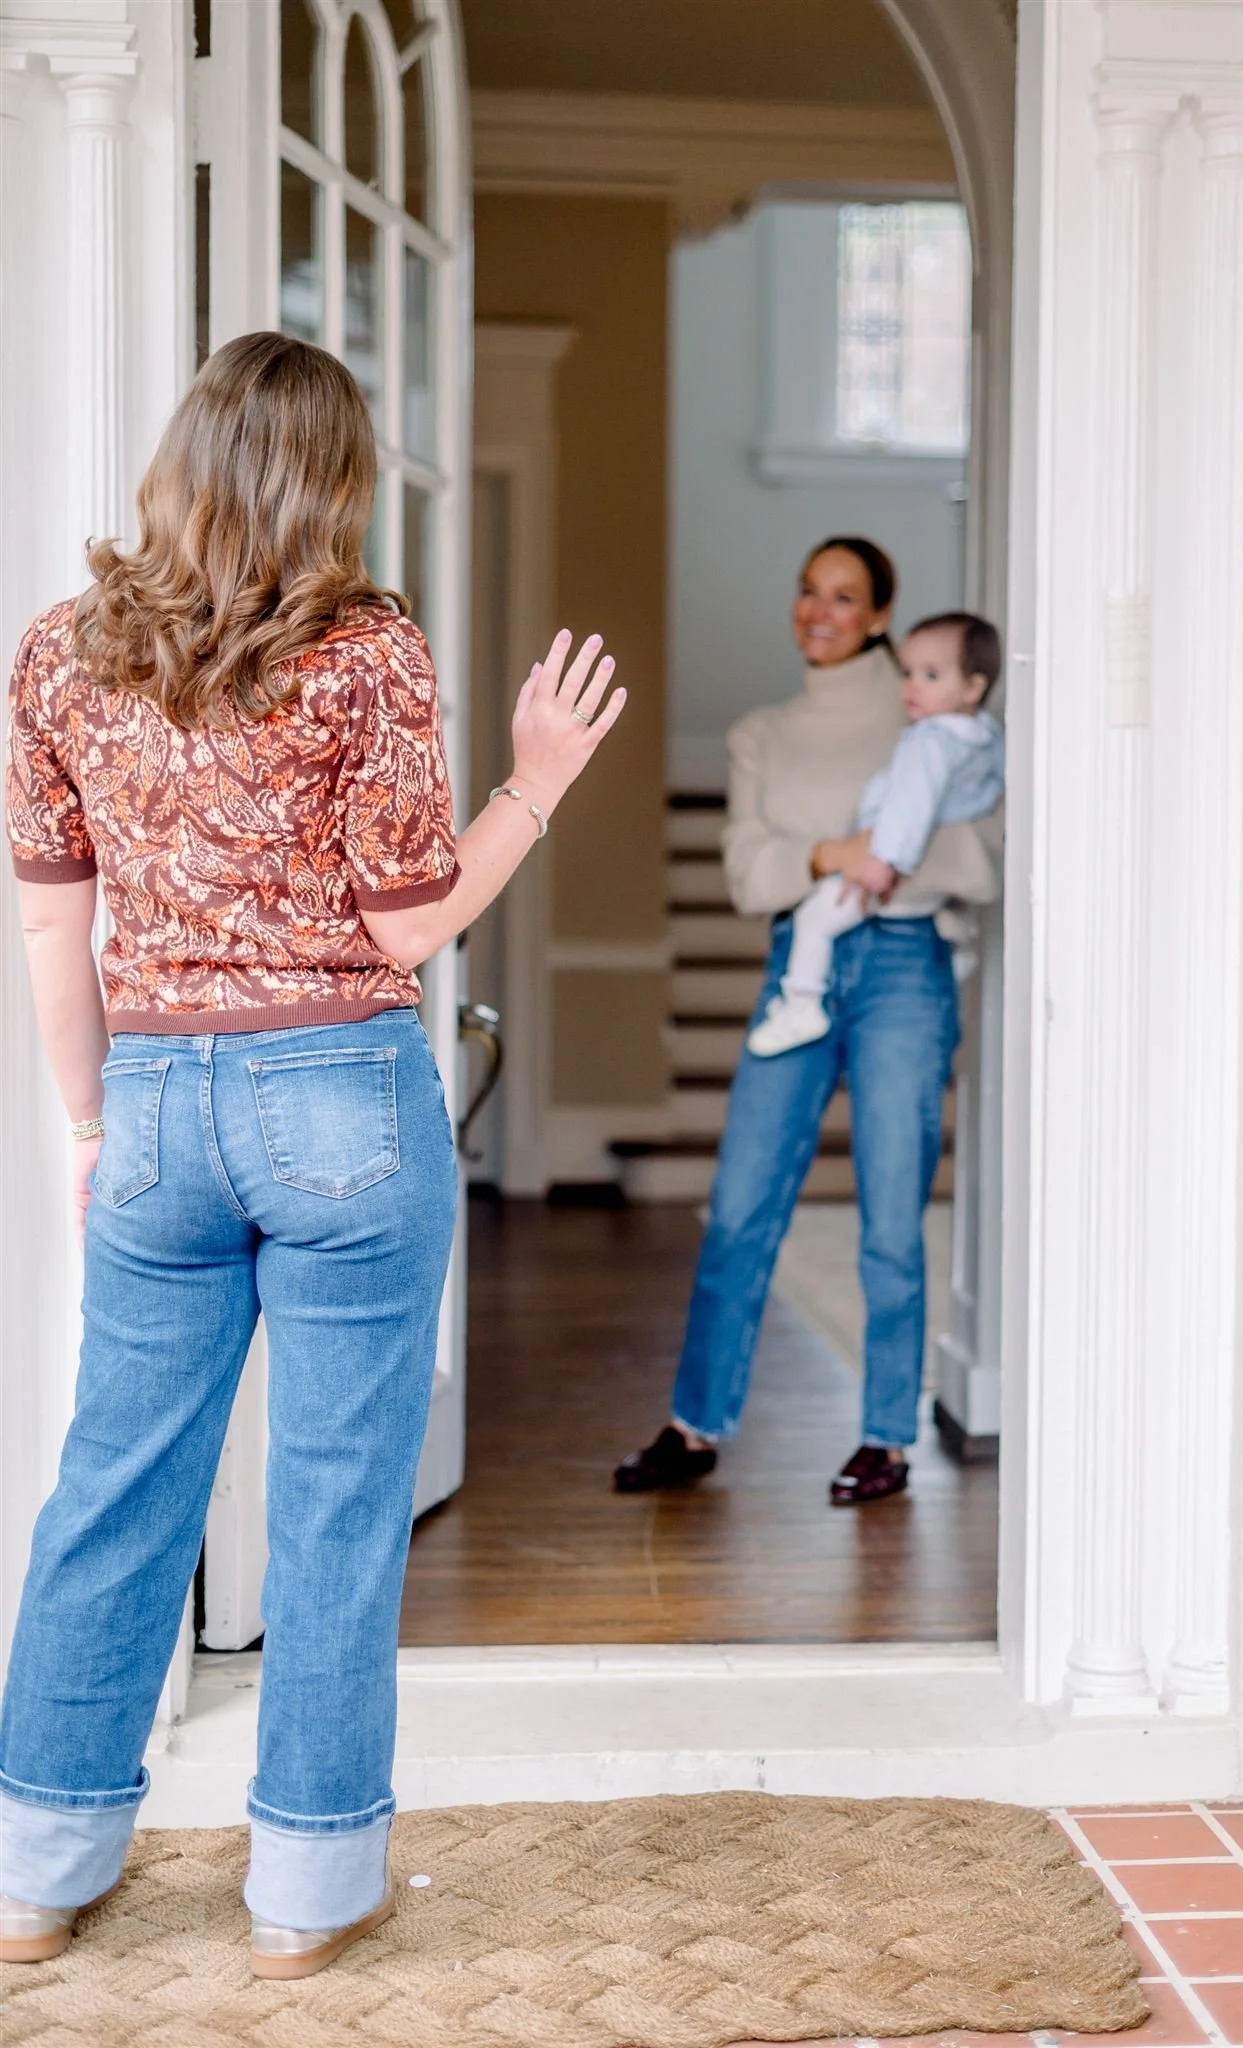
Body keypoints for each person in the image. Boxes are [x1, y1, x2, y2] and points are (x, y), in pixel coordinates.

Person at [0, 332, 624, 1975]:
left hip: (150, 1099)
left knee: (112, 1487)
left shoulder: (58, 654)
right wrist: (536, 782)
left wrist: (88, 1121)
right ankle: (302, 1897)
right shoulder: (365, 648)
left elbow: (53, 928)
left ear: (182, 459)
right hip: (338, 1091)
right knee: (337, 1506)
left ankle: (35, 1870)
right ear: (330, 482)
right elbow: (413, 914)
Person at [614, 538, 1002, 1508]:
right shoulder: (761, 731)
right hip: (801, 959)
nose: (818, 610)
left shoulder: (929, 701)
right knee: (741, 1205)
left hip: (906, 969)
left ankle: (886, 1437)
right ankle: (695, 1422)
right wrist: (853, 849)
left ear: (879, 615)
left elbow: (983, 850)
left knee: (890, 1215)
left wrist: (835, 857)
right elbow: (748, 873)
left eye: (843, 596)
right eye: (807, 591)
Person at [747, 612, 1005, 1057]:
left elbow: (910, 806)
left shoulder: (927, 741)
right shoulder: (984, 735)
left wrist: (884, 861)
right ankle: (958, 940)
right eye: (907, 673)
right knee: (938, 899)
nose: (911, 686)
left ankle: (801, 1003)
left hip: (884, 865)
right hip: (931, 887)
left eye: (930, 675)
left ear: (973, 687)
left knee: (815, 919)